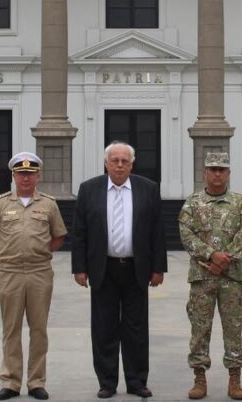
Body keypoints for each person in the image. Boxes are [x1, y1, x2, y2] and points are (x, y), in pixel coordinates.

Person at [71, 141, 167, 399]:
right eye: (115, 160)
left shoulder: (148, 189)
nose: (120, 165)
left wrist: (159, 268)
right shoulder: (89, 189)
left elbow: (158, 232)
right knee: (104, 328)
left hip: (137, 269)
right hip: (103, 269)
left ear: (132, 164)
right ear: (106, 163)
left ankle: (137, 382)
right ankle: (107, 382)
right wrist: (79, 268)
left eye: (125, 161)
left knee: (136, 329)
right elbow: (80, 232)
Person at [0, 152, 67, 401]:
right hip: (9, 274)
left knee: (39, 330)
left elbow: (59, 236)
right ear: (14, 176)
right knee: (11, 330)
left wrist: (40, 253)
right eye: (21, 174)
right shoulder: (0, 204)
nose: (26, 178)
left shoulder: (49, 205)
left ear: (38, 177)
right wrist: (4, 257)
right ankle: (10, 381)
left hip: (40, 273)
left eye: (30, 174)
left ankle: (36, 382)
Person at [177, 152, 242, 401]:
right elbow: (186, 235)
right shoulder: (192, 203)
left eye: (222, 169)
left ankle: (235, 378)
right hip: (202, 277)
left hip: (231, 278)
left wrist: (225, 259)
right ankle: (199, 377)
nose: (217, 173)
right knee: (200, 328)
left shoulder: (240, 203)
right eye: (213, 169)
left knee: (234, 327)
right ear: (205, 173)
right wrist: (211, 254)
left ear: (229, 173)